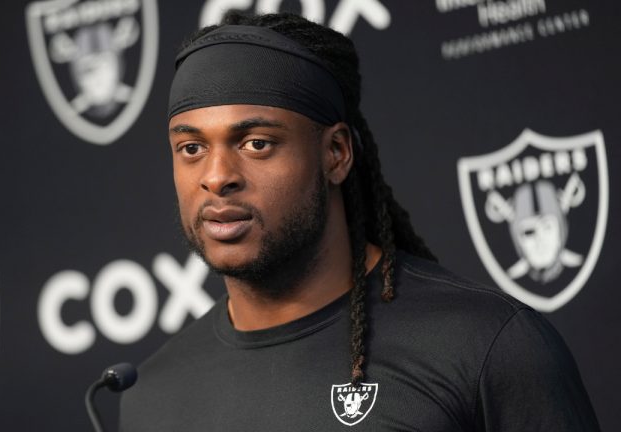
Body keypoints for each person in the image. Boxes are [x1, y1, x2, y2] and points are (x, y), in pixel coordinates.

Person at [120, 12, 600, 431]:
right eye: (191, 149)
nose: (217, 177)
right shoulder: (150, 396)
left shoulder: (488, 346)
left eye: (257, 143)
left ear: (336, 153)